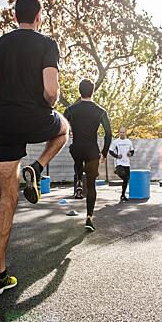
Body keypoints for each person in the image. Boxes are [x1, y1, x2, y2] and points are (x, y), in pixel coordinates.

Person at [0, 0, 69, 296]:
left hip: (4, 126)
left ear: (14, 17)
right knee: (64, 128)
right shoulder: (47, 44)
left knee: (6, 201)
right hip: (36, 119)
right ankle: (37, 166)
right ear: (38, 17)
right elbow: (51, 92)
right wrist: (50, 101)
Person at [64, 79, 112, 231]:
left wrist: (69, 133)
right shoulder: (100, 111)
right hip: (92, 151)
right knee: (91, 186)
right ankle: (89, 218)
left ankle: (78, 180)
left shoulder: (71, 109)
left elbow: (61, 127)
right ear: (93, 91)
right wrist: (104, 152)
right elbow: (109, 133)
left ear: (79, 91)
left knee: (78, 159)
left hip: (76, 148)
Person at [109, 127, 134, 202]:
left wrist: (130, 154)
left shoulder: (129, 141)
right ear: (119, 133)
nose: (122, 133)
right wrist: (117, 156)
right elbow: (110, 151)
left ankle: (122, 195)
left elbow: (132, 151)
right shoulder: (115, 142)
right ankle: (117, 171)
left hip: (127, 163)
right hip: (119, 163)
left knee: (126, 179)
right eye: (121, 132)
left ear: (125, 133)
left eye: (123, 132)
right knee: (123, 176)